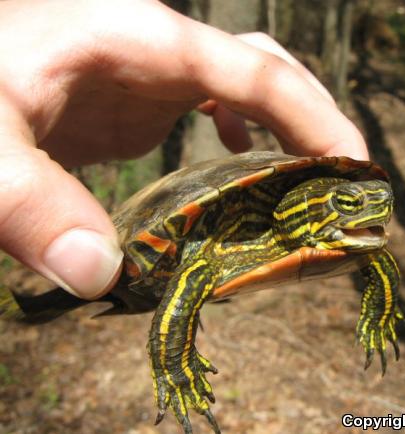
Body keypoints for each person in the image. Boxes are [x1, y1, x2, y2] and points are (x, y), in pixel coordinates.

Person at [0, 0, 369, 300]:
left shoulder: (347, 237)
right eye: (348, 204)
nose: (377, 206)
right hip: (181, 255)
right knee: (48, 303)